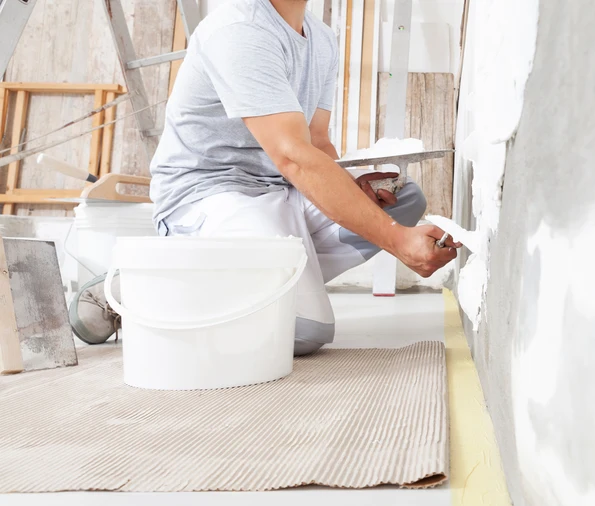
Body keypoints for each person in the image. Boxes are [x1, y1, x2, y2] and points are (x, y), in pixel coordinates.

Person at [70, 0, 459, 354]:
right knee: (300, 332)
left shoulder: (321, 39)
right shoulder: (240, 29)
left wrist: (350, 190)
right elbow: (292, 156)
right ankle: (147, 283)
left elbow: (317, 143)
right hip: (211, 194)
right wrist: (395, 239)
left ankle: (255, 280)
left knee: (403, 198)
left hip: (278, 189)